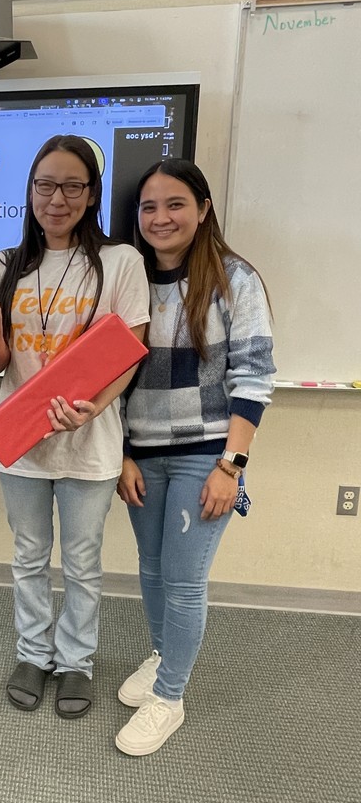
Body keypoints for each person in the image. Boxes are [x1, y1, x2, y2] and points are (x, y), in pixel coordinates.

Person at [0, 134, 149, 719]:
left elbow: (130, 353)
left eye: (72, 185)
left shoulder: (121, 262)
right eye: (45, 185)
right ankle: (33, 652)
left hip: (91, 440)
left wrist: (94, 409)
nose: (57, 198)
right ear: (30, 191)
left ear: (91, 193)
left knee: (82, 561)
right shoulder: (5, 265)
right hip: (19, 442)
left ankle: (76, 660)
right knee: (29, 555)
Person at [115, 158, 275, 756]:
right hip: (142, 454)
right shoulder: (128, 282)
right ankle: (162, 657)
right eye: (149, 206)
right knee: (152, 570)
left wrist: (231, 467)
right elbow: (114, 376)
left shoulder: (235, 279)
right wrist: (125, 453)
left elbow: (255, 378)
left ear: (204, 209)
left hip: (204, 456)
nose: (161, 217)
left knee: (183, 582)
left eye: (175, 203)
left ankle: (170, 697)